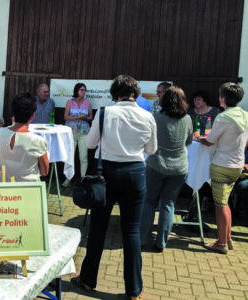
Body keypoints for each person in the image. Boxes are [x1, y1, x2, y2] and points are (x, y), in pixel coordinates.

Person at [71, 75, 157, 300]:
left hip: (106, 173)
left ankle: (88, 280)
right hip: (136, 173)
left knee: (98, 228)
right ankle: (134, 291)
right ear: (135, 94)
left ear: (114, 93)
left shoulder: (105, 112)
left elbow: (90, 144)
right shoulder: (147, 116)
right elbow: (152, 149)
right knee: (132, 230)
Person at [195, 82, 248, 254]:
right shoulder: (244, 115)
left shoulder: (223, 117)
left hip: (222, 164)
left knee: (221, 204)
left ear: (223, 98)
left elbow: (210, 140)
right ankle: (228, 238)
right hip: (237, 165)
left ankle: (221, 242)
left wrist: (198, 136)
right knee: (226, 203)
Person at [140, 86, 193, 252]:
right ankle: (161, 242)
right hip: (179, 168)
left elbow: (148, 140)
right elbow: (189, 141)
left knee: (149, 202)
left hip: (156, 165)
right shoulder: (187, 119)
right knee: (168, 204)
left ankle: (141, 239)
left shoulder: (155, 117)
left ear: (165, 100)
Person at [0, 92, 49, 182]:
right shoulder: (37, 141)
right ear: (32, 116)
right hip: (28, 190)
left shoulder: (1, 132)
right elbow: (44, 171)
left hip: (4, 190)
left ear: (13, 113)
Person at [187, 90, 222, 212]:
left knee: (206, 169)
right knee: (196, 168)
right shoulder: (191, 113)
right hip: (195, 146)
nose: (196, 102)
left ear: (205, 100)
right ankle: (195, 196)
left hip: (210, 146)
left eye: (199, 99)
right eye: (194, 99)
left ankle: (206, 199)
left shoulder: (215, 112)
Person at [63, 83, 93, 186]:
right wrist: (77, 118)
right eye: (81, 90)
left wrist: (84, 118)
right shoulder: (70, 102)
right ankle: (68, 179)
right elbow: (66, 117)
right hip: (71, 133)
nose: (83, 92)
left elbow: (90, 118)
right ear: (76, 90)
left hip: (84, 133)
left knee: (83, 157)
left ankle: (83, 180)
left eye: (84, 90)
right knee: (69, 157)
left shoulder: (87, 103)